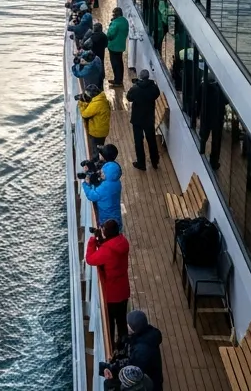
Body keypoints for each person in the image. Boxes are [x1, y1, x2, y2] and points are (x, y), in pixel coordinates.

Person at [85, 218, 131, 348]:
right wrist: (103, 241)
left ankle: (111, 349)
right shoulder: (123, 242)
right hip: (123, 288)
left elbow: (90, 259)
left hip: (112, 293)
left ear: (107, 233)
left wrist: (93, 241)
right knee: (122, 321)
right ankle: (124, 347)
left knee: (110, 324)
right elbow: (111, 248)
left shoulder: (107, 250)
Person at [126, 69, 161, 171]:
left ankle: (141, 163)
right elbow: (156, 94)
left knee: (138, 142)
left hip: (137, 119)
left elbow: (129, 98)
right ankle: (155, 161)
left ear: (140, 77)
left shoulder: (135, 88)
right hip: (149, 118)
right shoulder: (153, 87)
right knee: (151, 140)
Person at [125, 310, 164, 391]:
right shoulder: (149, 334)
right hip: (155, 378)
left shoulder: (141, 350)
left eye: (128, 325)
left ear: (135, 330)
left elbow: (135, 372)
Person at [82, 157, 122, 227]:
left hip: (106, 217)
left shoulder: (103, 188)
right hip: (116, 215)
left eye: (103, 173)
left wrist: (86, 184)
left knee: (109, 232)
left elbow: (91, 195)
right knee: (117, 228)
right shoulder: (117, 182)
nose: (101, 174)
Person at [78, 83, 112, 155]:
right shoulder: (101, 98)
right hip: (102, 130)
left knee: (96, 150)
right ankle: (101, 159)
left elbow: (85, 114)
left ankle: (96, 162)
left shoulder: (97, 103)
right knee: (100, 147)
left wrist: (81, 102)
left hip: (97, 133)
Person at [106, 7, 129, 89]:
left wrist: (110, 25)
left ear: (116, 14)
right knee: (120, 63)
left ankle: (117, 82)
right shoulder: (125, 21)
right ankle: (118, 79)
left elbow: (110, 35)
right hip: (121, 46)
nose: (113, 15)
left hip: (114, 47)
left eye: (114, 14)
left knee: (115, 64)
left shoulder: (115, 23)